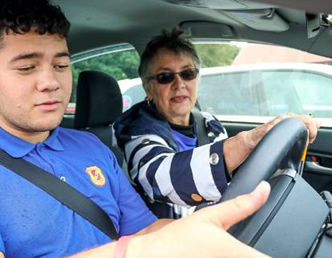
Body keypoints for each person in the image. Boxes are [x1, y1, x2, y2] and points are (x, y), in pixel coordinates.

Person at [0, 1, 304, 258]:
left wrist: (212, 235)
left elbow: (144, 230)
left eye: (61, 64)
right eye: (27, 67)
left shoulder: (90, 148)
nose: (50, 82)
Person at [113, 28, 320, 218]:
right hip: (175, 242)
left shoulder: (208, 123)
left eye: (187, 73)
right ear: (148, 87)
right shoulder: (136, 131)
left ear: (197, 78)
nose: (179, 84)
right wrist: (247, 141)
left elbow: (238, 175)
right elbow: (159, 179)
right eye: (165, 77)